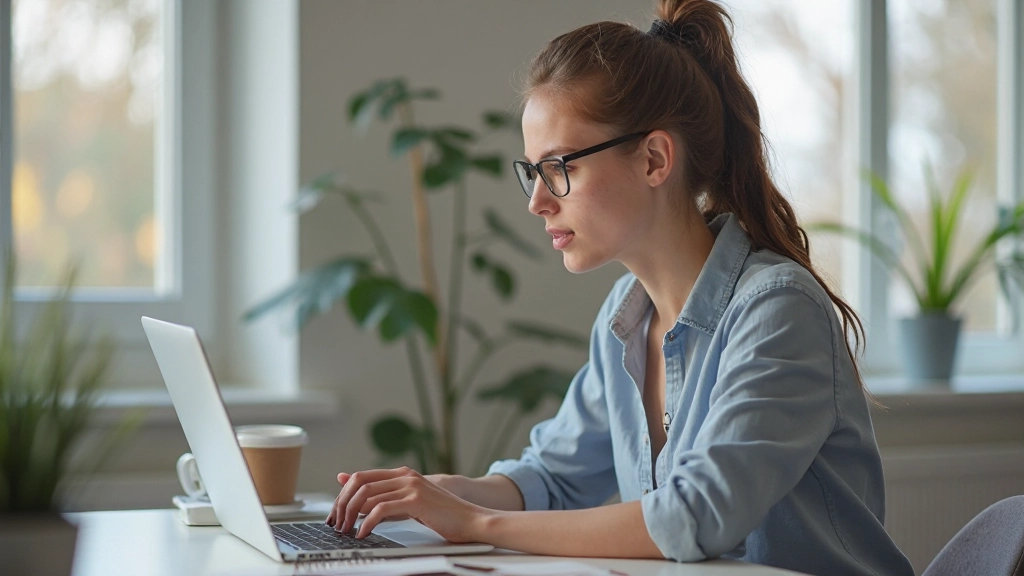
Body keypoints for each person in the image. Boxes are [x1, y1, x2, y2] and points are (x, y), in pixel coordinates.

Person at [327, 1, 915, 574]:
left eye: (560, 167)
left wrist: (476, 523)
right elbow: (555, 478)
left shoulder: (776, 311)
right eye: (533, 171)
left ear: (655, 159)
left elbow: (695, 516)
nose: (536, 201)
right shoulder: (626, 317)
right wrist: (435, 494)